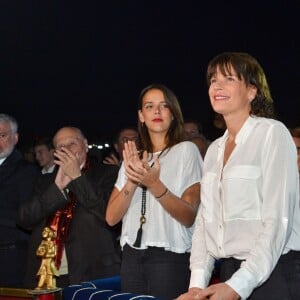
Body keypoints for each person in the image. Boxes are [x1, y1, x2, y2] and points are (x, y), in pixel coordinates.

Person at [177, 52, 300, 300]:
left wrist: (238, 286)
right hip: (229, 272)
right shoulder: (213, 150)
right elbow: (205, 223)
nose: (217, 86)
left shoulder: (272, 134)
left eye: (229, 78)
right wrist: (196, 286)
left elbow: (278, 221)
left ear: (252, 91)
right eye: (213, 80)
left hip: (273, 271)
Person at [106, 83, 203, 299]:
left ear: (173, 114)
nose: (156, 112)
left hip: (169, 257)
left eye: (163, 105)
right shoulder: (132, 158)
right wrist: (133, 178)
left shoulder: (186, 151)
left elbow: (189, 216)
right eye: (149, 106)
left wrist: (154, 184)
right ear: (141, 116)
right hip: (131, 256)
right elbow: (111, 218)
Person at [18, 126, 121, 288]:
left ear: (85, 145)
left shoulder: (109, 173)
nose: (66, 150)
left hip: (93, 274)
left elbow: (108, 214)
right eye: (60, 146)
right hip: (47, 276)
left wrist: (77, 177)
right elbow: (24, 219)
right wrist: (57, 188)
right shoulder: (45, 181)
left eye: (72, 143)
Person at [0, 113, 40, 287]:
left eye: (2, 135)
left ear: (15, 138)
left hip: (10, 257)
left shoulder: (26, 172)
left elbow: (27, 217)